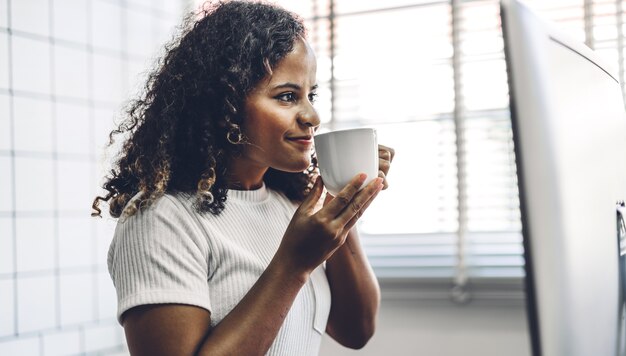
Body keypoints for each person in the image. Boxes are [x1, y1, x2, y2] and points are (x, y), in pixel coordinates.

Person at [91, 1, 395, 355]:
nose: (312, 115)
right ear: (225, 107)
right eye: (287, 97)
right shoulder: (161, 221)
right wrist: (292, 265)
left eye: (310, 95)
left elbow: (356, 331)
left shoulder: (291, 204)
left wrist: (345, 201)